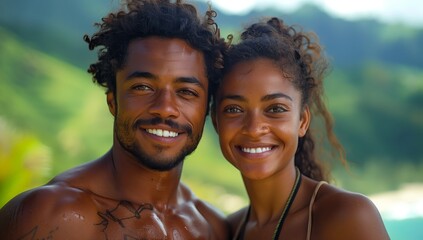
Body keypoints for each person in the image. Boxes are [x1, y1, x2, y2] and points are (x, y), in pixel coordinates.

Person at [0, 0, 229, 239]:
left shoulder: (214, 228)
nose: (165, 108)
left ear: (205, 110)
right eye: (143, 87)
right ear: (113, 101)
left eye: (186, 92)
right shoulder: (48, 216)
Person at [211, 17, 390, 239]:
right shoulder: (229, 230)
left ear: (302, 121)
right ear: (216, 121)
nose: (254, 128)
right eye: (234, 109)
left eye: (275, 109)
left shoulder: (347, 217)